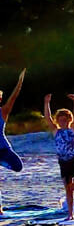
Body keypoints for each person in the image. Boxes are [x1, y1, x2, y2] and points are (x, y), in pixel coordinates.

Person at [43, 92, 74, 220]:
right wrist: (46, 103)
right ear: (58, 121)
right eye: (60, 120)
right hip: (64, 163)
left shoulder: (73, 130)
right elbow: (47, 118)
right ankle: (70, 215)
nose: (62, 122)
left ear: (69, 120)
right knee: (68, 190)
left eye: (65, 120)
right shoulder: (56, 131)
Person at [0, 69, 27, 214]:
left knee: (18, 167)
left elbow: (13, 98)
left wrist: (19, 83)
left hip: (3, 149)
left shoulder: (2, 112)